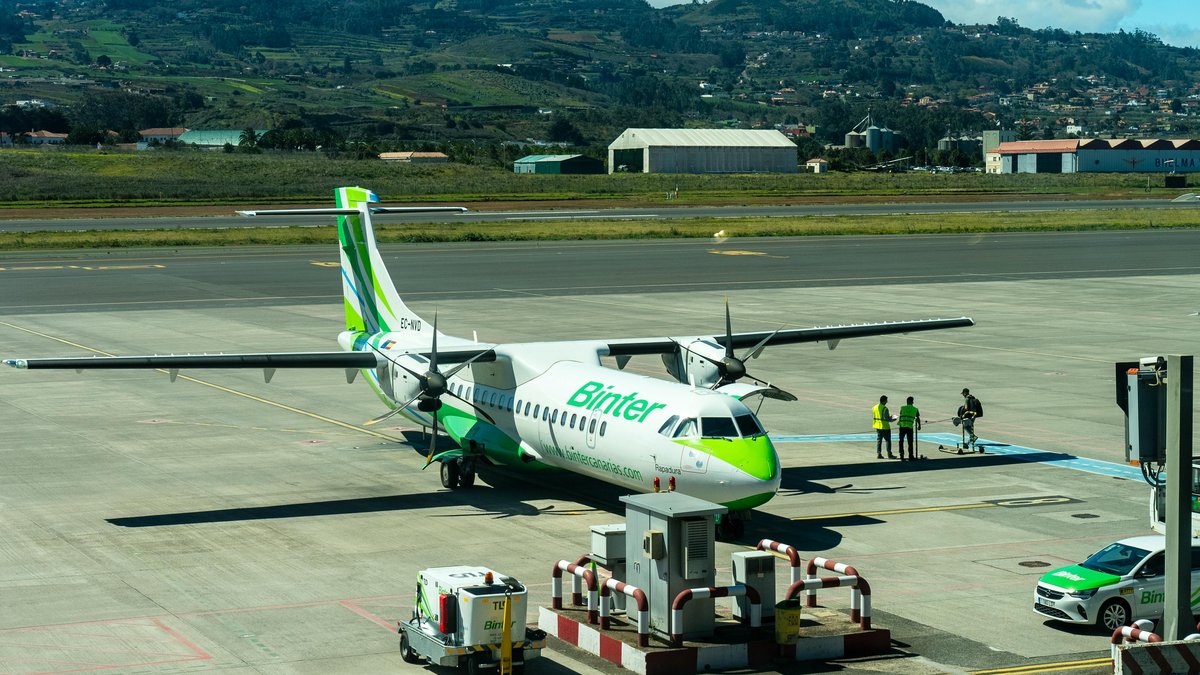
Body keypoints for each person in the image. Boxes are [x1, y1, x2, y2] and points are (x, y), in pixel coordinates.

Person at [871, 395, 897, 459]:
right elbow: (887, 419)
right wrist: (893, 419)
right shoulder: (885, 408)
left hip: (877, 426)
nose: (887, 402)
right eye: (886, 400)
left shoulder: (874, 407)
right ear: (884, 401)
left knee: (879, 440)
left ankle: (879, 453)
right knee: (888, 440)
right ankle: (889, 454)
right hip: (885, 426)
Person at [897, 396, 921, 460]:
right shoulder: (915, 409)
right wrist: (919, 425)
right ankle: (911, 455)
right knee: (910, 442)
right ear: (912, 402)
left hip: (902, 426)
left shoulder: (903, 408)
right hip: (909, 427)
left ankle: (901, 455)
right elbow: (918, 418)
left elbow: (901, 415)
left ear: (907, 401)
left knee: (901, 441)